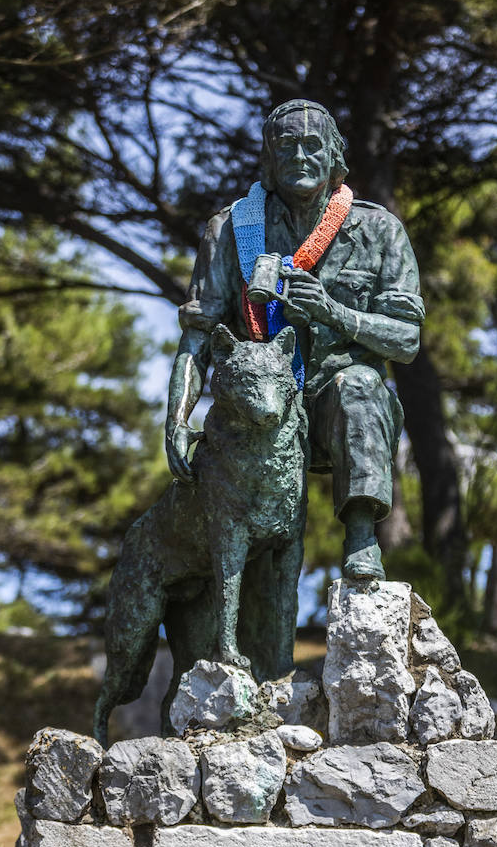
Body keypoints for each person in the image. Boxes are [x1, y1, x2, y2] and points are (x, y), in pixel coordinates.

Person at [165, 98, 425, 581]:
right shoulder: (233, 229)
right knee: (254, 579)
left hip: (334, 405)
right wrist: (177, 419)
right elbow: (198, 338)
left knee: (361, 384)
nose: (300, 157)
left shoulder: (377, 229)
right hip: (258, 411)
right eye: (286, 147)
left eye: (313, 146)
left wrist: (336, 314)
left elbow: (406, 339)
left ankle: (362, 538)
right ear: (267, 159)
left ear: (334, 159)